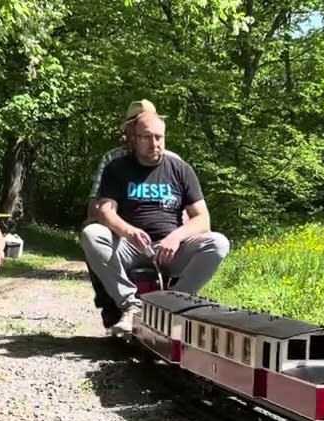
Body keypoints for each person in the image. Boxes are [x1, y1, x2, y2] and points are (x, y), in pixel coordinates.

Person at [82, 110, 229, 336]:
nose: (154, 143)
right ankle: (132, 306)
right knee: (92, 234)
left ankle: (170, 306)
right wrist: (128, 231)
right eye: (146, 137)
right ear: (134, 138)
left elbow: (203, 218)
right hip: (128, 247)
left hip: (171, 250)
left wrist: (176, 237)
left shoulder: (180, 169)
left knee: (218, 242)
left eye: (159, 137)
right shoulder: (116, 167)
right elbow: (105, 210)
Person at [84, 99, 182, 224]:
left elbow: (189, 209)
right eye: (139, 125)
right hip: (120, 232)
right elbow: (95, 203)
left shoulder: (175, 162)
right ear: (130, 130)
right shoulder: (112, 159)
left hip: (168, 233)